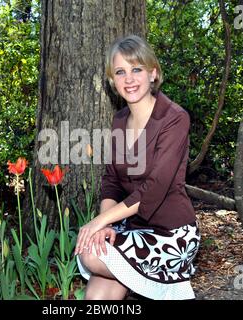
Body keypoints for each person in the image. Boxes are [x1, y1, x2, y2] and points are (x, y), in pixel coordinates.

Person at [74, 35, 200, 300]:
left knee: (91, 253)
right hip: (132, 227)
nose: (129, 79)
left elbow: (153, 188)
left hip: (172, 234)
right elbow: (111, 180)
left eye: (136, 69)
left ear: (153, 73)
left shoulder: (174, 118)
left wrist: (98, 222)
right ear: (112, 80)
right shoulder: (119, 120)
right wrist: (106, 225)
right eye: (120, 72)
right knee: (96, 297)